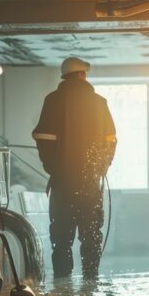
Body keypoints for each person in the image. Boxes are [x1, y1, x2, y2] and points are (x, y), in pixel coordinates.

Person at [32, 57, 117, 280]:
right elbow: (111, 140)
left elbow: (43, 138)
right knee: (91, 235)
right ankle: (91, 280)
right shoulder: (99, 103)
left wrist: (54, 169)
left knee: (61, 238)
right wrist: (101, 167)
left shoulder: (53, 100)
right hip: (91, 183)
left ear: (65, 77)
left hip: (62, 184)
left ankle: (62, 284)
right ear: (82, 75)